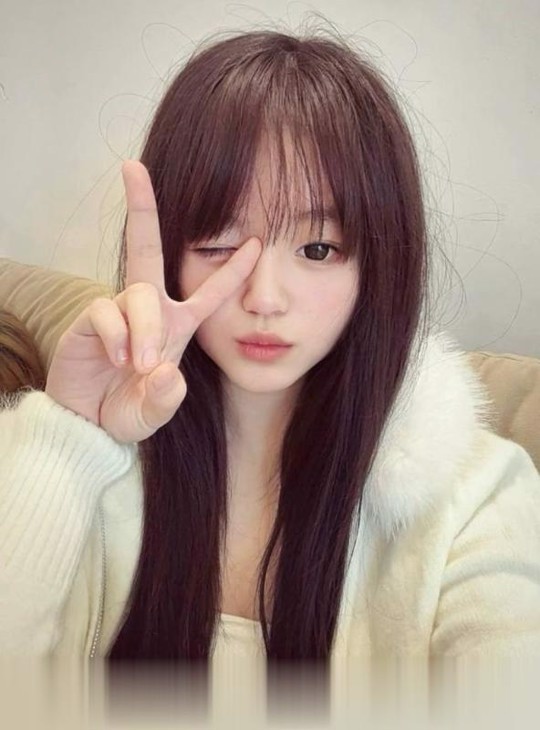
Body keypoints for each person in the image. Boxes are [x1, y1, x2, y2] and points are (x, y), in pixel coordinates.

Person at [1, 27, 539, 675]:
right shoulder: (68, 465)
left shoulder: (479, 498)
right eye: (220, 245)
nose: (263, 298)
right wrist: (68, 441)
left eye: (317, 249)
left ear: (378, 264)